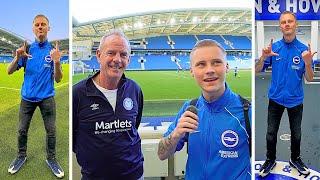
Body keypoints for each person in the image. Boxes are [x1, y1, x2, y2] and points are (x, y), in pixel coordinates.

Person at [158, 39, 251, 180]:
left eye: (216, 62)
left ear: (226, 66)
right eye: (201, 64)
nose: (209, 70)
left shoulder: (246, 111)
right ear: (192, 71)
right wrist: (176, 134)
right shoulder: (190, 109)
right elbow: (162, 154)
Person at [73, 30, 144, 180]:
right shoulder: (79, 93)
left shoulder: (134, 90)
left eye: (123, 54)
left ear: (129, 59)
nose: (117, 59)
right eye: (111, 53)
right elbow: (74, 138)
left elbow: (133, 127)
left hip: (134, 176)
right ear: (99, 55)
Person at [255, 11, 317, 177]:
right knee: (270, 134)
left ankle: (295, 158)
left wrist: (308, 64)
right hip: (275, 99)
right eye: (283, 22)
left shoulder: (304, 50)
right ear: (280, 26)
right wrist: (262, 57)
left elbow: (310, 79)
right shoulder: (274, 48)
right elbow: (257, 70)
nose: (287, 24)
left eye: (290, 21)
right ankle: (270, 159)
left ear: (296, 25)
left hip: (296, 101)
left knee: (296, 134)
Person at [7, 14, 64, 178]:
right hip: (27, 98)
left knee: (51, 131)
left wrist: (57, 62)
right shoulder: (27, 50)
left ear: (48, 28)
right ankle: (21, 156)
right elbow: (9, 71)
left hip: (47, 98)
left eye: (43, 24)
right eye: (37, 25)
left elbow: (58, 78)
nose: (40, 27)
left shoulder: (52, 51)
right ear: (33, 28)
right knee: (21, 130)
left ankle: (51, 159)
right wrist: (17, 57)